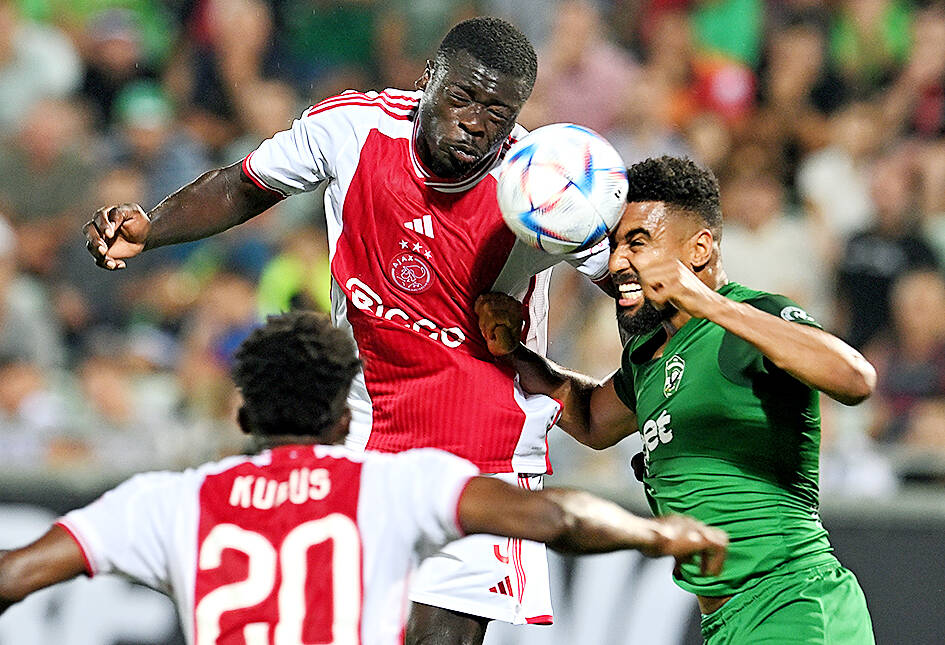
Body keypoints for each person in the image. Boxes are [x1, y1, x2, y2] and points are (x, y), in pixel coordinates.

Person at [82, 17, 613, 642]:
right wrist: (151, 226)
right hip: (361, 431)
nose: (475, 122)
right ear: (429, 81)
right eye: (463, 98)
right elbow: (244, 185)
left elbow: (630, 283)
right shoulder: (352, 127)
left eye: (497, 112)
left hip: (482, 448)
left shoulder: (544, 183)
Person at [0, 310, 729, 644]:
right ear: (346, 417)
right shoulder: (390, 484)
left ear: (246, 414)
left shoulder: (169, 500)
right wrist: (655, 531)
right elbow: (558, 519)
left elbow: (13, 575)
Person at [475, 156, 878, 644]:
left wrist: (708, 301)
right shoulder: (647, 355)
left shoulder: (752, 320)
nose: (619, 262)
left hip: (793, 603)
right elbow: (591, 420)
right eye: (616, 244)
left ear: (700, 249)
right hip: (726, 622)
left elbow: (855, 379)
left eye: (638, 243)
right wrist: (514, 353)